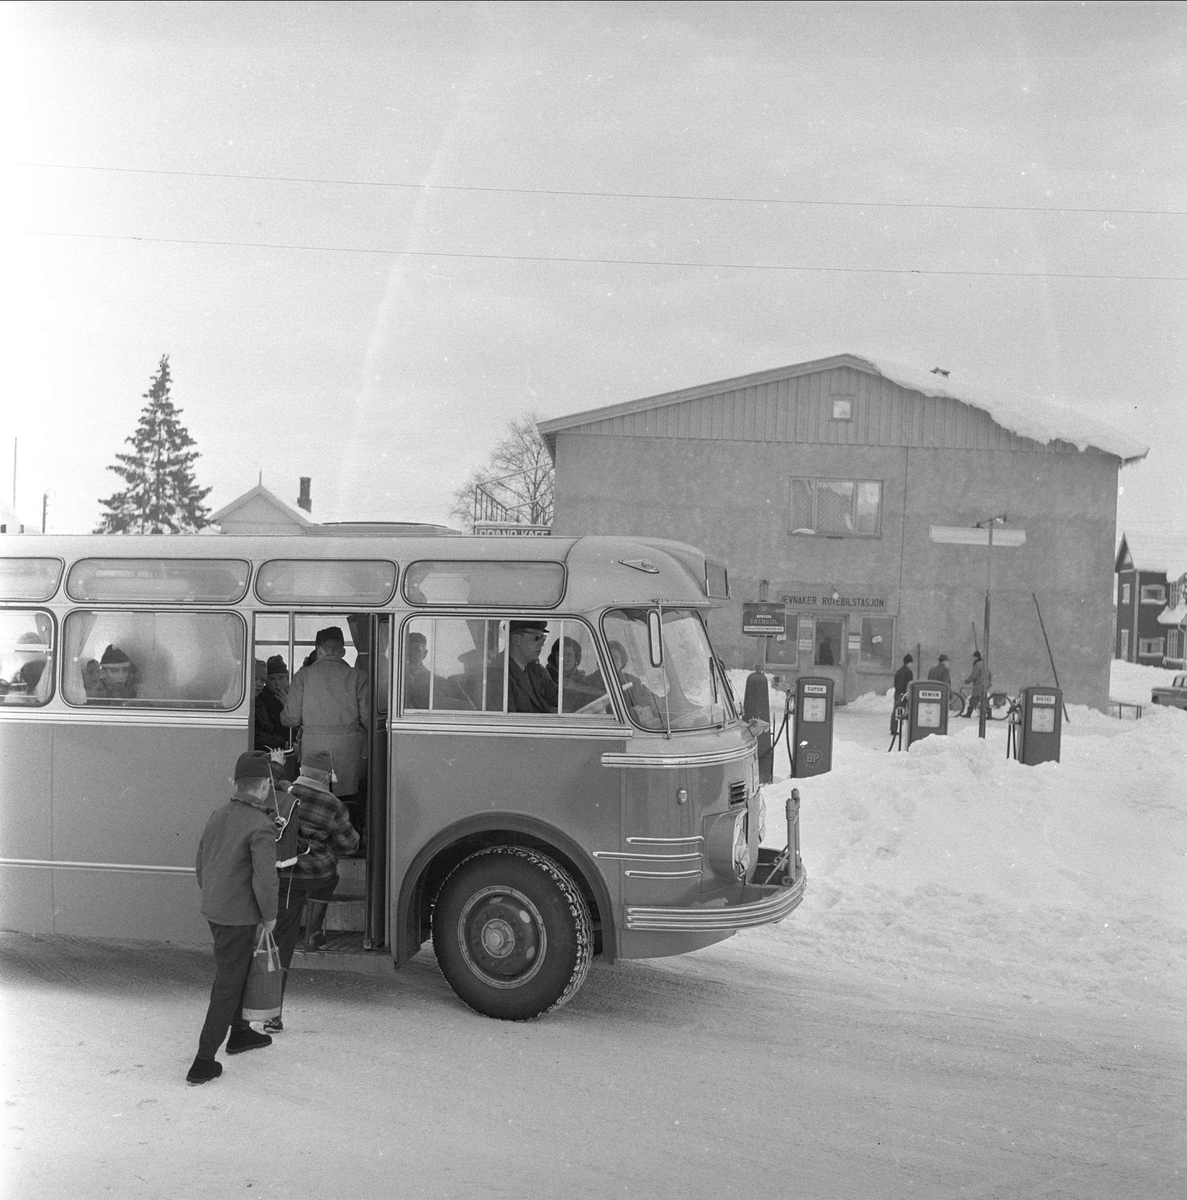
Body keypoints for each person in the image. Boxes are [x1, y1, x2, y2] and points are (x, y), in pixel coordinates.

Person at [188, 750, 279, 1085]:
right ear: (265, 786)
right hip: (238, 918)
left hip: (216, 910)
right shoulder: (261, 825)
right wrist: (269, 916)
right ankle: (203, 1061)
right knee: (228, 984)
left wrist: (215, 896)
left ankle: (240, 1033)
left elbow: (201, 862)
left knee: (235, 974)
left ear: (238, 783)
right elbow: (265, 879)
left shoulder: (219, 813)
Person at [268, 749, 359, 1033]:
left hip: (284, 875)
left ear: (303, 770)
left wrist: (276, 766)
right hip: (316, 875)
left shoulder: (282, 791)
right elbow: (349, 846)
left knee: (280, 944)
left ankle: (272, 1015)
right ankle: (315, 930)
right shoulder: (332, 804)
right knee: (331, 877)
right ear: (325, 776)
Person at [281, 627, 369, 828]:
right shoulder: (358, 676)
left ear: (318, 649)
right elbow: (367, 718)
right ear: (343, 651)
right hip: (349, 748)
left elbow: (291, 719)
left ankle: (317, 837)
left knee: (315, 794)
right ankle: (348, 836)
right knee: (348, 795)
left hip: (312, 747)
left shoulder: (302, 676)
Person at [485, 620, 558, 713]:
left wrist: (580, 699)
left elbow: (555, 695)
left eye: (543, 638)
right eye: (537, 637)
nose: (542, 643)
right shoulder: (497, 675)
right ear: (516, 639)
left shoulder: (533, 668)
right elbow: (505, 724)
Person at [546, 636, 603, 712]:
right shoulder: (546, 677)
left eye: (569, 654)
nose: (565, 659)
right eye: (560, 655)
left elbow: (600, 695)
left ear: (576, 657)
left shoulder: (581, 677)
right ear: (554, 657)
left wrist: (574, 686)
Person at [961, 651, 990, 718]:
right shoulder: (983, 663)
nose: (972, 658)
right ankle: (989, 714)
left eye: (973, 657)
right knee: (982, 699)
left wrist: (967, 681)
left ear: (976, 657)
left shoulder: (977, 664)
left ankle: (969, 713)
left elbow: (974, 675)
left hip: (978, 684)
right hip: (983, 683)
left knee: (974, 699)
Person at [891, 653, 914, 735]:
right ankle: (905, 728)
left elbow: (896, 683)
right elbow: (909, 684)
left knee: (896, 710)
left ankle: (893, 728)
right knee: (905, 711)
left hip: (897, 693)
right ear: (909, 662)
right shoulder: (908, 672)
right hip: (904, 693)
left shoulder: (899, 671)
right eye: (911, 663)